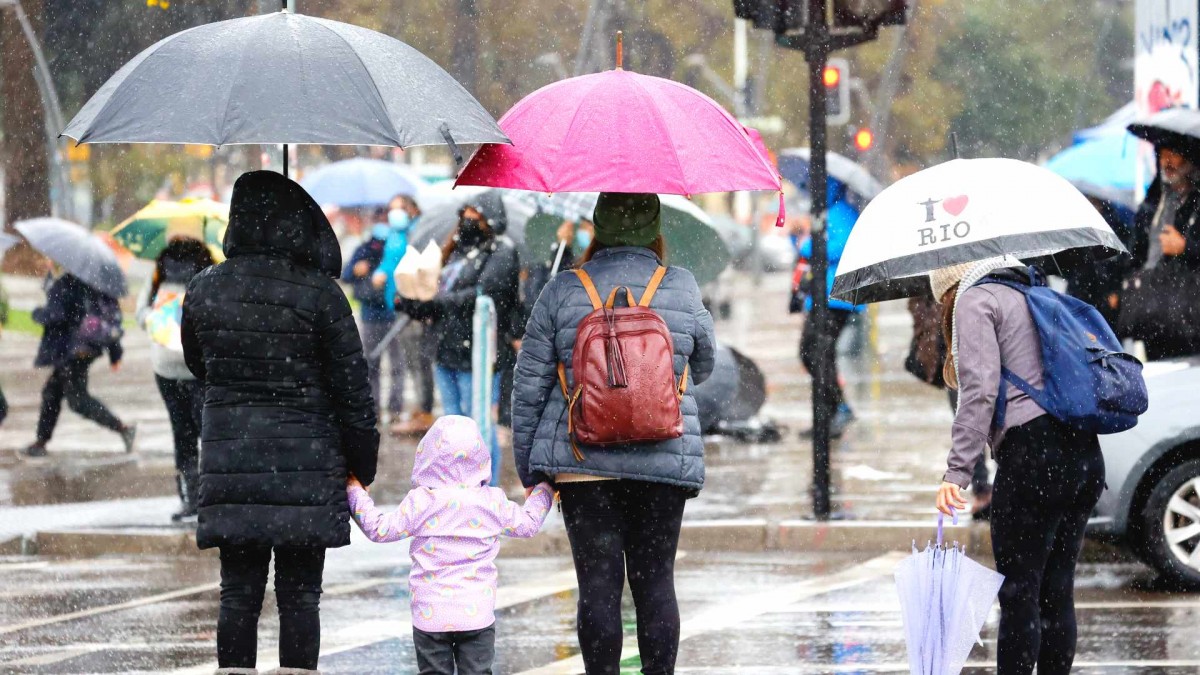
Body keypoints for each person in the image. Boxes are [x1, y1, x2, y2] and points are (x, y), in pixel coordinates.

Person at [181, 170, 380, 675]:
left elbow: (197, 364)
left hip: (233, 460)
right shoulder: (321, 295)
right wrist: (361, 463)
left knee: (238, 594)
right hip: (308, 464)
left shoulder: (204, 290)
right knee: (300, 597)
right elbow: (353, 389)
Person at [512, 193, 716, 675]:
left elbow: (529, 383)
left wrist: (530, 465)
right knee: (655, 586)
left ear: (596, 227)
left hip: (582, 461)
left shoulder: (563, 289)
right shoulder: (680, 285)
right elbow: (704, 363)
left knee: (598, 587)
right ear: (655, 229)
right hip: (664, 458)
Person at [931, 256, 1104, 675]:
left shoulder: (976, 302)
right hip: (1082, 451)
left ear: (948, 287)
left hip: (1033, 456)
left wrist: (957, 472)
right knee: (1057, 590)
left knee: (1019, 592)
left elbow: (979, 392)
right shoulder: (1036, 292)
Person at [346, 415, 555, 675]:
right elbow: (527, 524)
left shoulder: (422, 502)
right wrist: (545, 487)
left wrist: (354, 490)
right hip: (476, 612)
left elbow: (380, 529)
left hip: (430, 614)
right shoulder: (490, 501)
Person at [396, 196, 520, 487]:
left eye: (475, 215)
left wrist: (438, 302)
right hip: (445, 350)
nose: (467, 220)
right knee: (452, 423)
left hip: (478, 353)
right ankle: (457, 485)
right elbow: (436, 298)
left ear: (489, 220)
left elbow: (484, 294)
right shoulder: (453, 252)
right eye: (464, 213)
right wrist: (412, 302)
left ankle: (484, 489)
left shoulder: (501, 251)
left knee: (478, 425)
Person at [135, 237, 214, 522]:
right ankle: (212, 495)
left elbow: (140, 314)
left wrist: (159, 320)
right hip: (200, 369)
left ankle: (190, 497)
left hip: (166, 368)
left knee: (182, 433)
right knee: (210, 432)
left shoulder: (158, 275)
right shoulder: (209, 274)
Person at [24, 264, 135, 458]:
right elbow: (105, 321)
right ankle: (40, 443)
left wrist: (37, 313)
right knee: (52, 393)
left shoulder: (67, 283)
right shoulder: (93, 284)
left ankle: (123, 428)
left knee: (78, 400)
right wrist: (115, 354)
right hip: (85, 349)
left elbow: (56, 315)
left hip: (72, 351)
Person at [796, 181, 867, 439]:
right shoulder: (828, 213)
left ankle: (838, 408)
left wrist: (809, 244)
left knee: (817, 353)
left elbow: (837, 247)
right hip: (822, 296)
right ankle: (828, 413)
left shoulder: (842, 213)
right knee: (811, 353)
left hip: (835, 297)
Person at [344, 205, 406, 419]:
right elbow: (345, 274)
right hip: (371, 315)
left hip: (394, 314)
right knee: (372, 364)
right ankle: (375, 407)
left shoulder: (398, 246)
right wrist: (356, 269)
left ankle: (396, 408)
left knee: (397, 364)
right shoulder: (365, 248)